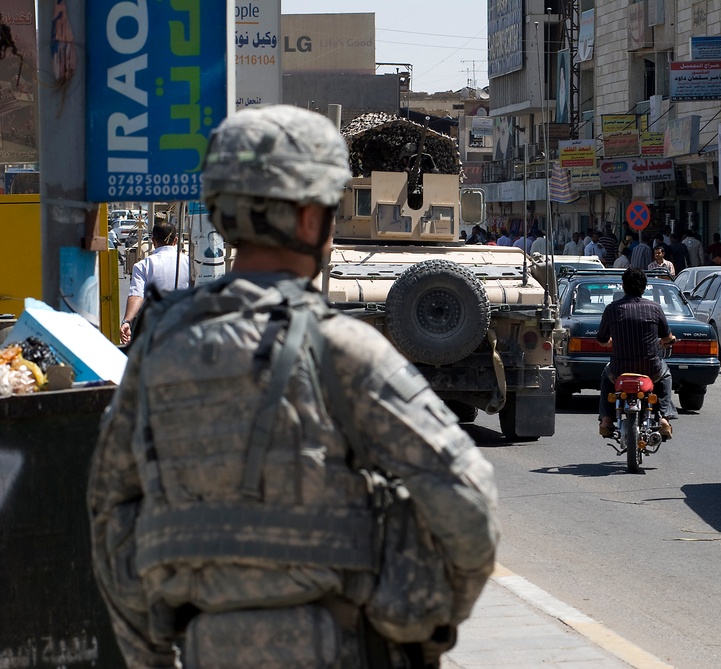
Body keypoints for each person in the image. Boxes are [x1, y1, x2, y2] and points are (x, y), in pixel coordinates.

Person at [88, 105, 499, 669]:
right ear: (310, 219)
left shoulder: (158, 354)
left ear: (223, 211)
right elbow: (469, 502)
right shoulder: (344, 352)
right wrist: (424, 629)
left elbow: (109, 518)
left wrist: (150, 657)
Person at [595, 267, 677, 439]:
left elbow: (602, 338)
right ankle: (663, 417)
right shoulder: (654, 308)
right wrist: (667, 340)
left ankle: (607, 420)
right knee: (666, 374)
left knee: (605, 375)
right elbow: (667, 336)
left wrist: (608, 342)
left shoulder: (612, 309)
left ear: (623, 286)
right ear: (644, 287)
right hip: (651, 369)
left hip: (619, 370)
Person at [119, 221, 190, 345]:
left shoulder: (143, 265)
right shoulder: (190, 263)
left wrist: (127, 321)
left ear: (153, 241)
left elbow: (137, 295)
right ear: (176, 240)